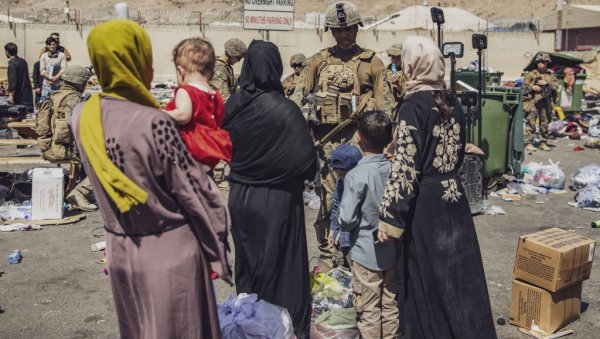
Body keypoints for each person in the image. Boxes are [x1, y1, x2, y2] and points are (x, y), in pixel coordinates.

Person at [71, 20, 231, 338]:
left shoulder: (82, 115)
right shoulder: (154, 121)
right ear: (138, 60)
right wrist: (220, 248)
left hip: (121, 250)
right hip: (170, 254)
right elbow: (194, 192)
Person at [378, 36, 497, 339]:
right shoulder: (452, 101)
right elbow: (456, 152)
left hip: (426, 204)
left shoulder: (411, 105)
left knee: (427, 279)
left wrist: (390, 218)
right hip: (454, 198)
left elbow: (406, 167)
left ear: (411, 65)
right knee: (458, 277)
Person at [223, 40, 317, 339]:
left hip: (240, 197)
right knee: (282, 266)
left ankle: (249, 324)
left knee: (249, 263)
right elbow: (307, 162)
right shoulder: (285, 110)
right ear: (276, 67)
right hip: (278, 200)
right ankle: (283, 328)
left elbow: (225, 147)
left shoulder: (233, 105)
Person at [303, 1, 391, 271]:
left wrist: (384, 146)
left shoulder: (372, 64)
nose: (344, 35)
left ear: (356, 28)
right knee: (329, 200)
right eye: (338, 30)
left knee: (363, 199)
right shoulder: (318, 62)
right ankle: (330, 254)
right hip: (327, 145)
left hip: (362, 145)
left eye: (349, 29)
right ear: (331, 31)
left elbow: (384, 108)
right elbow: (302, 101)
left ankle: (358, 254)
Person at [338, 110, 398, 339]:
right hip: (391, 251)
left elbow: (346, 219)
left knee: (368, 309)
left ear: (358, 137)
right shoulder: (394, 169)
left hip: (365, 253)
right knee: (390, 304)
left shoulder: (356, 175)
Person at [163, 38, 232, 171]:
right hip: (210, 150)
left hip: (191, 149)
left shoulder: (186, 91)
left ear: (180, 72)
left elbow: (183, 115)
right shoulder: (215, 95)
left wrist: (162, 113)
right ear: (211, 73)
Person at [35, 65, 97, 211]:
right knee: (108, 160)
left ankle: (85, 191)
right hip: (62, 149)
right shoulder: (72, 98)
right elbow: (76, 126)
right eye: (84, 82)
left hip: (49, 146)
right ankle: (80, 193)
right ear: (78, 82)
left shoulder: (55, 94)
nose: (85, 85)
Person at [327, 144, 362, 269]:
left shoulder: (361, 184)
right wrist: (332, 229)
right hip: (341, 237)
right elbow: (337, 204)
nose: (340, 176)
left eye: (343, 172)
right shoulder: (341, 182)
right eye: (338, 173)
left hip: (356, 240)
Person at [523, 52, 557, 152]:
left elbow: (556, 87)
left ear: (547, 63)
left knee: (545, 123)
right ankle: (528, 142)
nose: (541, 64)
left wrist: (547, 83)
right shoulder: (531, 74)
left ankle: (543, 142)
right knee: (531, 122)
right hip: (533, 101)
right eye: (539, 62)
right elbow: (524, 87)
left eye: (543, 62)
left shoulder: (550, 75)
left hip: (545, 101)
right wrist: (532, 87)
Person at [210, 38, 247, 102]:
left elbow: (230, 82)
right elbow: (225, 98)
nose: (239, 61)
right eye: (238, 58)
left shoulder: (226, 67)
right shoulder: (220, 70)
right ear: (230, 55)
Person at [4, 42, 33, 112]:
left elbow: (13, 83)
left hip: (19, 99)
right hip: (27, 96)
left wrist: (10, 95)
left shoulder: (12, 65)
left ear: (7, 52)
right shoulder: (23, 61)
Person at [386, 43, 407, 119]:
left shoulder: (408, 73)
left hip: (401, 111)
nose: (394, 61)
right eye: (392, 58)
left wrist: (398, 85)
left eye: (398, 58)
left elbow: (408, 94)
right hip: (388, 111)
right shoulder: (386, 71)